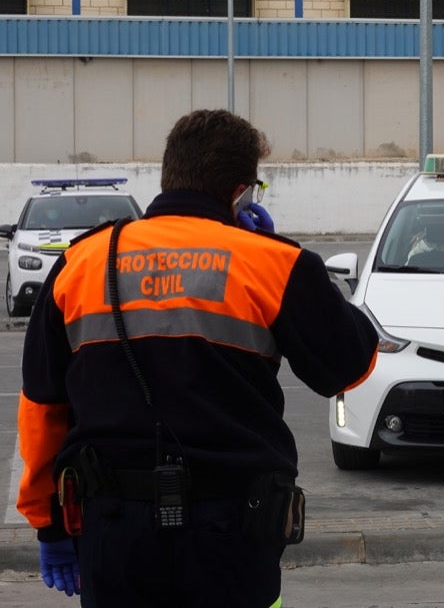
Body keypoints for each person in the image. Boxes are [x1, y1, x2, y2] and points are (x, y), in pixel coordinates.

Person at [17, 109, 379, 607]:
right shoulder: (273, 263)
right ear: (241, 192)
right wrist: (289, 260)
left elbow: (42, 406)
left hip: (113, 532)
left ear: (169, 174)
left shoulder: (81, 261)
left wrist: (48, 525)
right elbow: (350, 366)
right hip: (235, 530)